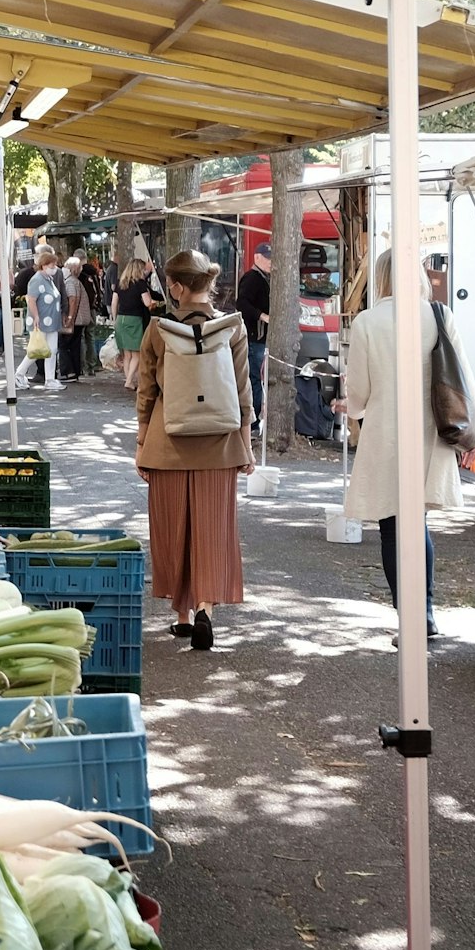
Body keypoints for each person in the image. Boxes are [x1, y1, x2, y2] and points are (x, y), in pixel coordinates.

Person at [341, 250, 471, 639]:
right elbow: (462, 373)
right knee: (418, 524)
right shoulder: (439, 315)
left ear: (380, 277)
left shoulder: (367, 321)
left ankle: (410, 617)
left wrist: (357, 410)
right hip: (433, 428)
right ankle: (426, 611)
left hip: (386, 433)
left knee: (392, 526)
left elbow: (359, 392)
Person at [137, 249, 252, 651]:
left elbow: (147, 393)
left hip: (167, 445)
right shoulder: (232, 328)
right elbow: (242, 392)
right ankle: (205, 606)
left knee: (174, 529)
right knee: (212, 530)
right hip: (219, 446)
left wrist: (140, 443)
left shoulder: (159, 330)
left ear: (178, 286)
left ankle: (182, 616)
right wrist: (247, 445)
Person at [235, 241, 272, 430]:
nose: (270, 262)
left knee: (255, 378)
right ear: (257, 257)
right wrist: (262, 316)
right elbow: (241, 303)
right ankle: (253, 421)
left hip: (259, 338)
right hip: (253, 337)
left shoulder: (264, 277)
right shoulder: (252, 278)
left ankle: (253, 419)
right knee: (254, 378)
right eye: (267, 259)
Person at [111, 256, 155, 390]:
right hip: (134, 319)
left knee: (127, 354)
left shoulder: (120, 282)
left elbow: (114, 302)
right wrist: (153, 302)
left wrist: (114, 319)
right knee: (137, 353)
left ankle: (129, 380)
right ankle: (129, 380)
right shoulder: (140, 283)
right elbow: (148, 303)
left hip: (120, 319)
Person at [26, 246, 65, 389]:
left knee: (51, 350)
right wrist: (36, 316)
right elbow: (31, 299)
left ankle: (50, 379)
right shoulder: (37, 280)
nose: (54, 268)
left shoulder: (49, 279)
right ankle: (19, 373)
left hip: (51, 321)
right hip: (41, 320)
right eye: (52, 265)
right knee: (36, 350)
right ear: (44, 265)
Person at [58, 253, 88, 382]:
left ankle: (68, 371)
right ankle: (75, 371)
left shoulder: (70, 282)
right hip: (81, 320)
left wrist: (69, 317)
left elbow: (72, 301)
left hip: (75, 319)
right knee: (75, 346)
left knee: (63, 345)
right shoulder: (77, 281)